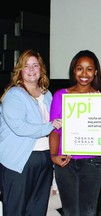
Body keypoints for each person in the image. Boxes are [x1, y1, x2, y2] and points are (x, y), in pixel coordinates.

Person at [0, 49, 62, 216]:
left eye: (35, 65)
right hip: (20, 162)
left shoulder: (47, 94)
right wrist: (50, 126)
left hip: (44, 159)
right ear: (20, 70)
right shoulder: (14, 95)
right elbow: (20, 127)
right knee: (16, 210)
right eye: (26, 66)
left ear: (41, 69)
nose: (32, 69)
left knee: (37, 210)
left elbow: (59, 124)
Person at [49, 50, 101, 216]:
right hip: (66, 161)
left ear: (95, 72)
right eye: (80, 68)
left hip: (92, 162)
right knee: (70, 211)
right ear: (74, 70)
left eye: (89, 69)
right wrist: (53, 156)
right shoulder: (60, 96)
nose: (84, 74)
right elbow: (54, 130)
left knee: (89, 212)